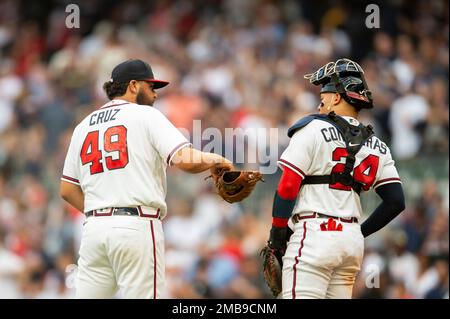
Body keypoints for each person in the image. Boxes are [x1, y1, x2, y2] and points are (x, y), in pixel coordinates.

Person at [59, 59, 233, 299]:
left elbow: (67, 190)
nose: (155, 93)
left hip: (94, 230)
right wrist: (216, 159)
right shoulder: (146, 115)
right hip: (136, 226)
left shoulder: (83, 126)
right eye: (150, 86)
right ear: (132, 86)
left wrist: (104, 212)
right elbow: (184, 159)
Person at [267, 58, 405, 299]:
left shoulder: (311, 128)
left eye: (323, 98)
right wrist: (358, 232)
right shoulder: (377, 144)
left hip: (314, 236)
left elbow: (288, 185)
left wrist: (277, 236)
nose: (320, 106)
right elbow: (396, 201)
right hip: (350, 244)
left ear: (337, 98)